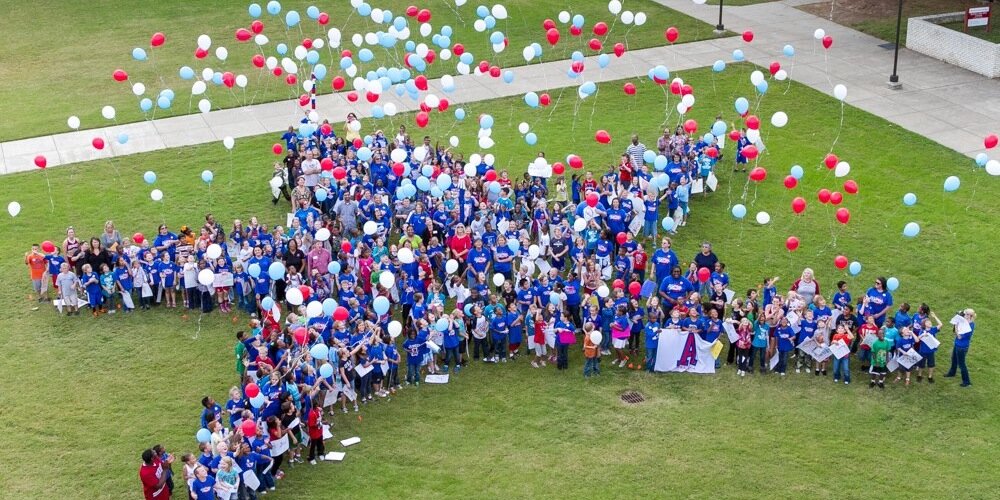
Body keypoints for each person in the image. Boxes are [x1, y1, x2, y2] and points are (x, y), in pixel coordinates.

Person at [945, 308, 975, 387]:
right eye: (965, 313)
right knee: (954, 358)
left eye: (967, 314)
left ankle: (966, 382)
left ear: (970, 316)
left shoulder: (970, 326)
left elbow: (959, 336)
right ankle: (952, 372)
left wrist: (956, 325)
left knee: (961, 364)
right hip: (957, 344)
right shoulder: (964, 321)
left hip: (962, 347)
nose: (965, 315)